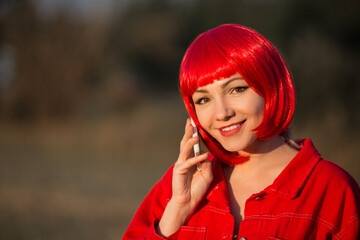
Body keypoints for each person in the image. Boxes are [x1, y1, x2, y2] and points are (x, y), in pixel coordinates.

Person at [123, 24, 360, 239]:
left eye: (236, 89)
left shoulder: (332, 189)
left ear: (270, 86)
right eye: (204, 99)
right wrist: (177, 210)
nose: (221, 113)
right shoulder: (179, 185)